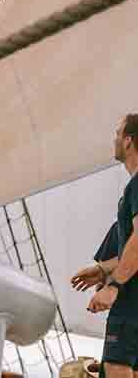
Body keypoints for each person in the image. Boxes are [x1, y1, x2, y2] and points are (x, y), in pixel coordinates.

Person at [88, 114, 138, 378]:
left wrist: (113, 286)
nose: (114, 138)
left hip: (131, 303)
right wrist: (102, 270)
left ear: (129, 141)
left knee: (116, 369)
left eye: (117, 133)